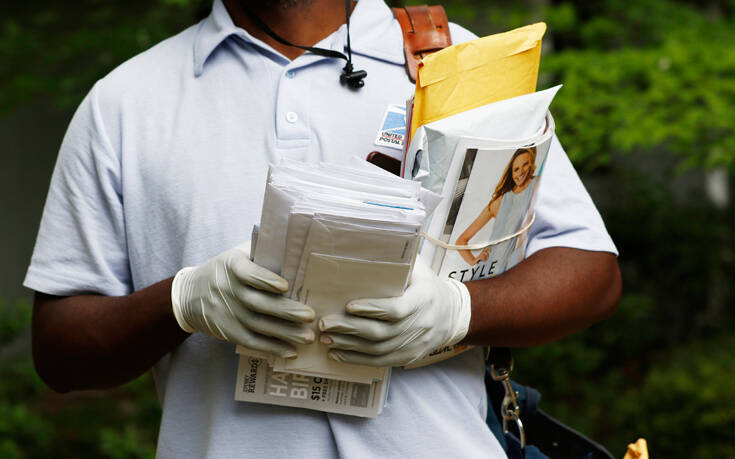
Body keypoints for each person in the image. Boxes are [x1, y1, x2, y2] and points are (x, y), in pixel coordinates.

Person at [25, 0, 621, 457]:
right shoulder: (126, 102)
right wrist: (183, 302)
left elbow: (591, 272)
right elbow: (60, 350)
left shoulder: (456, 65)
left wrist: (458, 310)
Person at [456, 147, 539, 275]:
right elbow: (461, 241)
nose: (521, 172)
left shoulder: (537, 184)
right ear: (511, 173)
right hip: (488, 269)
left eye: (525, 164)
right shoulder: (499, 201)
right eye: (516, 169)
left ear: (531, 164)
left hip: (517, 266)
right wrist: (473, 260)